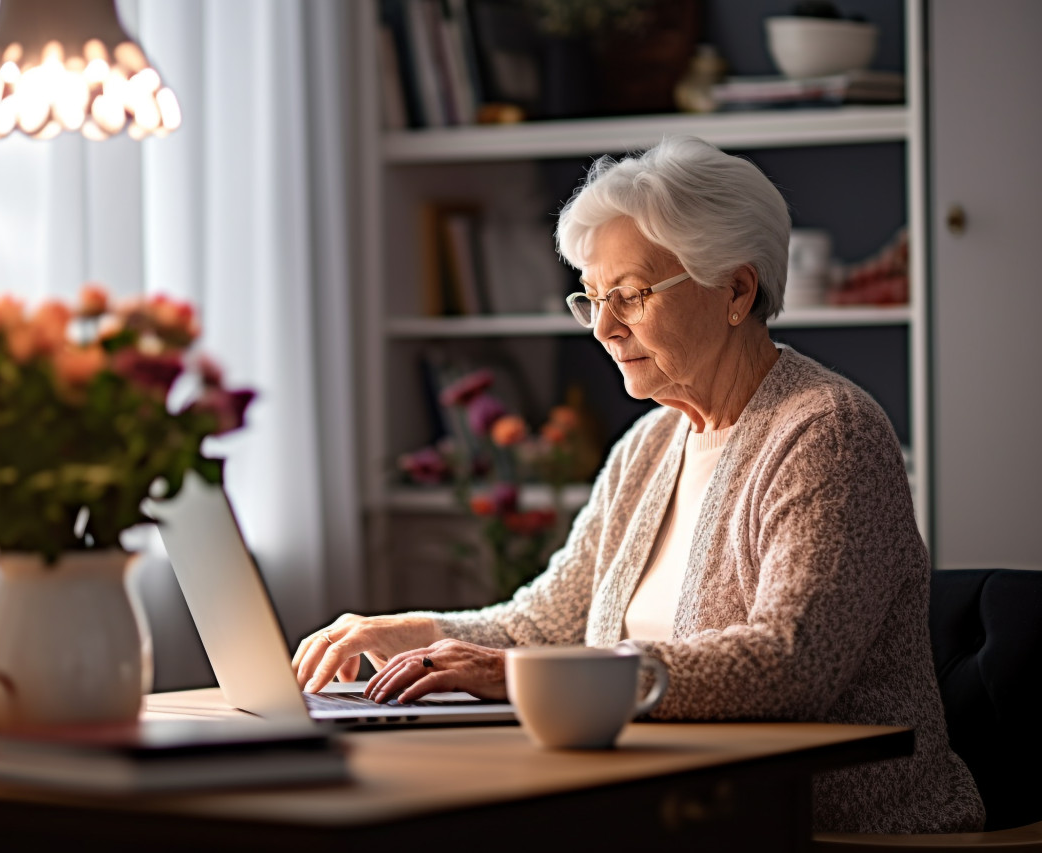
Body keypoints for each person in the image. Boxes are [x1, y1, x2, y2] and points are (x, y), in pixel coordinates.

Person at [293, 135, 983, 834]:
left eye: (629, 295)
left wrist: (514, 673)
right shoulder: (648, 444)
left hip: (827, 824)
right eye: (590, 298)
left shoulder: (826, 433)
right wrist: (416, 633)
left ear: (736, 290)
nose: (602, 327)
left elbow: (788, 661)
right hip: (675, 805)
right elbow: (547, 625)